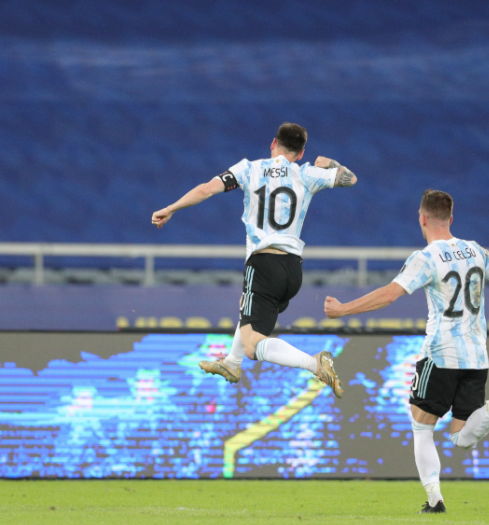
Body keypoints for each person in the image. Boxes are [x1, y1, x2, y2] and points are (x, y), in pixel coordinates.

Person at [323, 189, 489, 513]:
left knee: (421, 425)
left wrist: (344, 309)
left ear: (422, 218)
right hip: (477, 357)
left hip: (441, 354)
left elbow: (390, 294)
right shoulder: (474, 250)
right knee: (461, 437)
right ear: (451, 218)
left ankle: (435, 500)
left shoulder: (426, 258)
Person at [152, 123, 355, 397]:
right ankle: (231, 364)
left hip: (263, 264)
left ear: (273, 143)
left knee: (253, 345)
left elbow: (205, 189)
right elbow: (349, 178)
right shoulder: (307, 173)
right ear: (301, 151)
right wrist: (329, 163)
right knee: (248, 313)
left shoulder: (249, 169)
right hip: (292, 270)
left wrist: (170, 208)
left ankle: (314, 363)